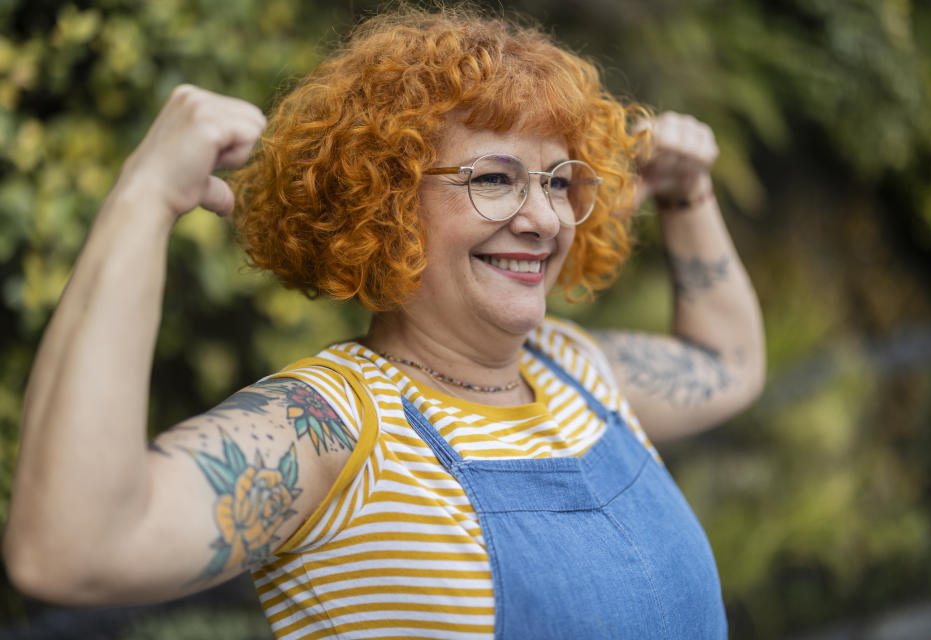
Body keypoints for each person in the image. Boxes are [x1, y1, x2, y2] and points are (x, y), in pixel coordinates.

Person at [3, 6, 764, 639]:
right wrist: (144, 198)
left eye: (560, 180)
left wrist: (687, 196)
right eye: (495, 178)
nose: (542, 217)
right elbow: (70, 550)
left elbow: (728, 363)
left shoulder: (576, 369)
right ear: (385, 204)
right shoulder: (332, 426)